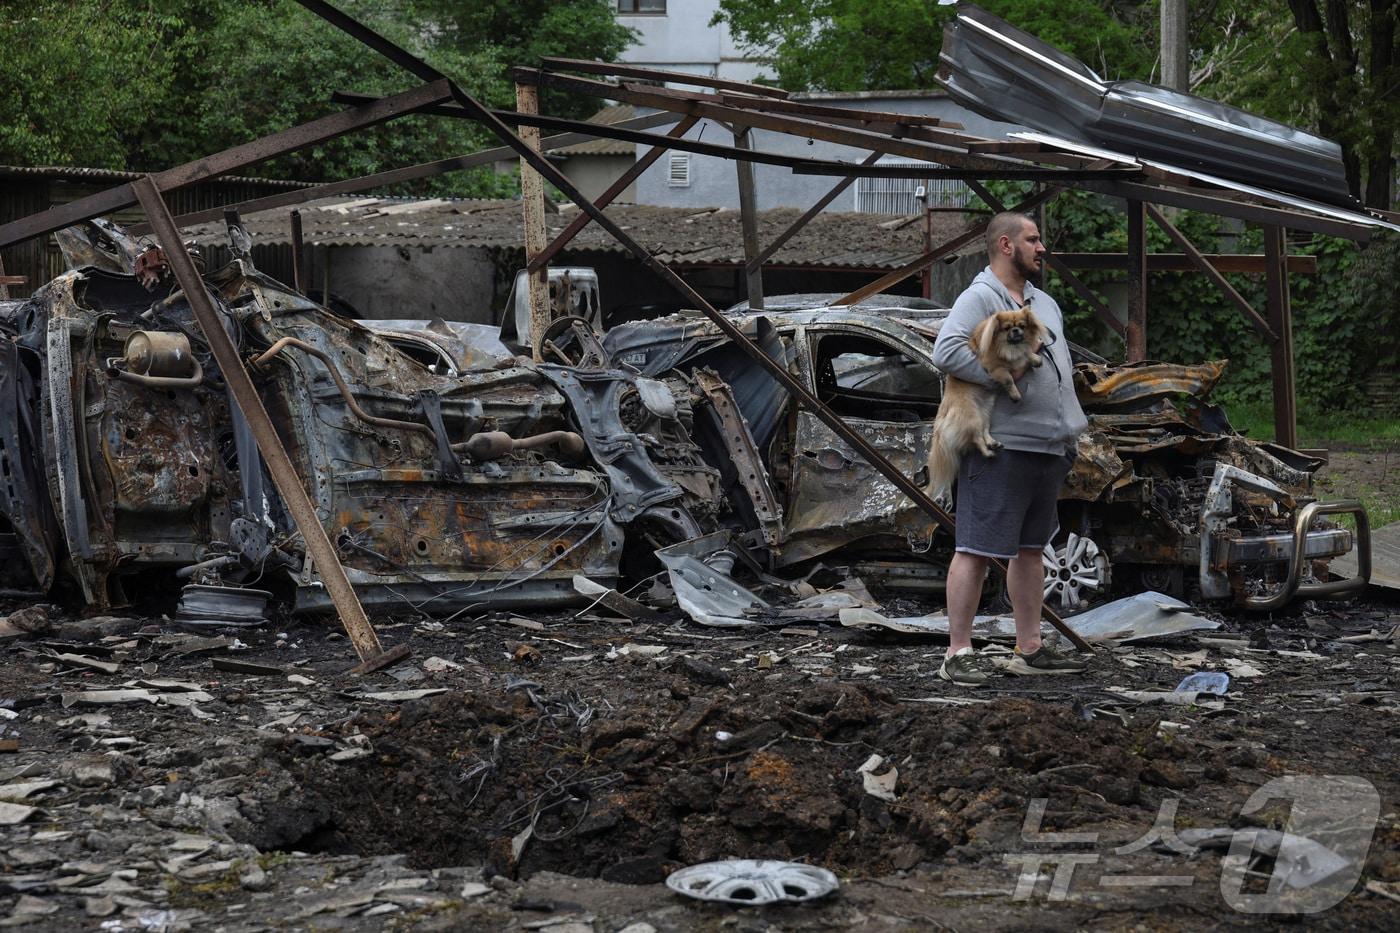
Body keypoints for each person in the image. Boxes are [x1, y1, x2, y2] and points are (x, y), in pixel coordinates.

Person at [930, 211, 1089, 684]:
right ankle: (958, 652)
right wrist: (1006, 376)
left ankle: (1030, 647)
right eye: (1033, 239)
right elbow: (946, 352)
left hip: (1048, 444)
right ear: (1005, 245)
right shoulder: (980, 296)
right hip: (1002, 446)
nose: (1042, 248)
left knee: (1031, 551)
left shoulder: (1042, 302)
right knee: (976, 548)